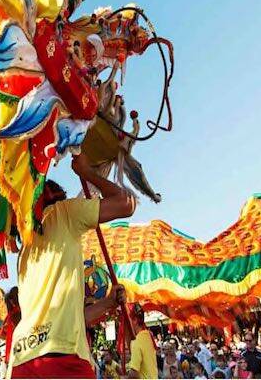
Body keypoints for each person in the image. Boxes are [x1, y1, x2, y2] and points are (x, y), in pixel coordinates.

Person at [9, 154, 136, 378]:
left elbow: (74, 318)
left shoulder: (25, 250)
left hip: (23, 360)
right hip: (61, 359)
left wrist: (107, 303)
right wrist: (86, 172)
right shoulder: (64, 212)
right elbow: (125, 204)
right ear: (60, 198)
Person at [126, 304, 159, 379]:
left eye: (127, 320)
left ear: (135, 320)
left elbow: (133, 374)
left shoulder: (136, 341)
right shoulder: (148, 335)